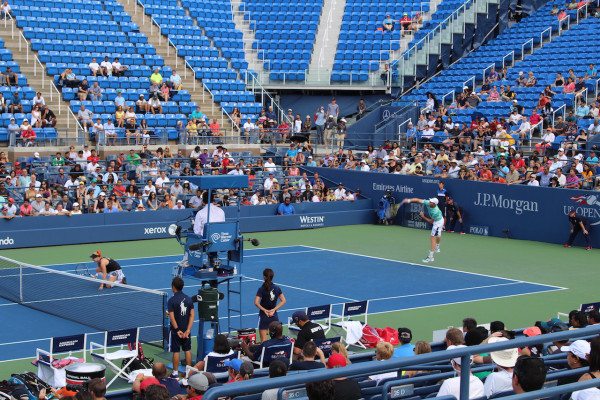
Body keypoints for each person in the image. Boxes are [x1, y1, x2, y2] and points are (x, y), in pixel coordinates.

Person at [401, 197, 445, 262]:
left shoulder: (435, 212)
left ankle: (430, 257)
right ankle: (437, 246)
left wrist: (423, 216)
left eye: (431, 202)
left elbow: (431, 221)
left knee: (433, 238)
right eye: (430, 201)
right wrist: (408, 200)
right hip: (440, 220)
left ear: (434, 204)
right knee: (438, 235)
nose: (429, 202)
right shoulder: (428, 202)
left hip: (438, 222)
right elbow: (417, 200)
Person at [168, 277, 194, 376]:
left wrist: (177, 330)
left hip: (176, 331)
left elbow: (171, 317)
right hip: (186, 330)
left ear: (173, 287)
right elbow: (192, 315)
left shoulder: (171, 300)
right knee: (187, 350)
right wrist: (188, 330)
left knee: (176, 351)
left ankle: (175, 373)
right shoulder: (189, 299)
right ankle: (188, 372)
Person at [254, 268, 286, 342]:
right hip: (274, 316)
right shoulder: (277, 288)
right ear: (272, 277)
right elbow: (283, 300)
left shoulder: (261, 289)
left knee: (264, 341)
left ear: (264, 277)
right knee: (277, 340)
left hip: (264, 316)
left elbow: (256, 302)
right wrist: (274, 309)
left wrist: (264, 310)